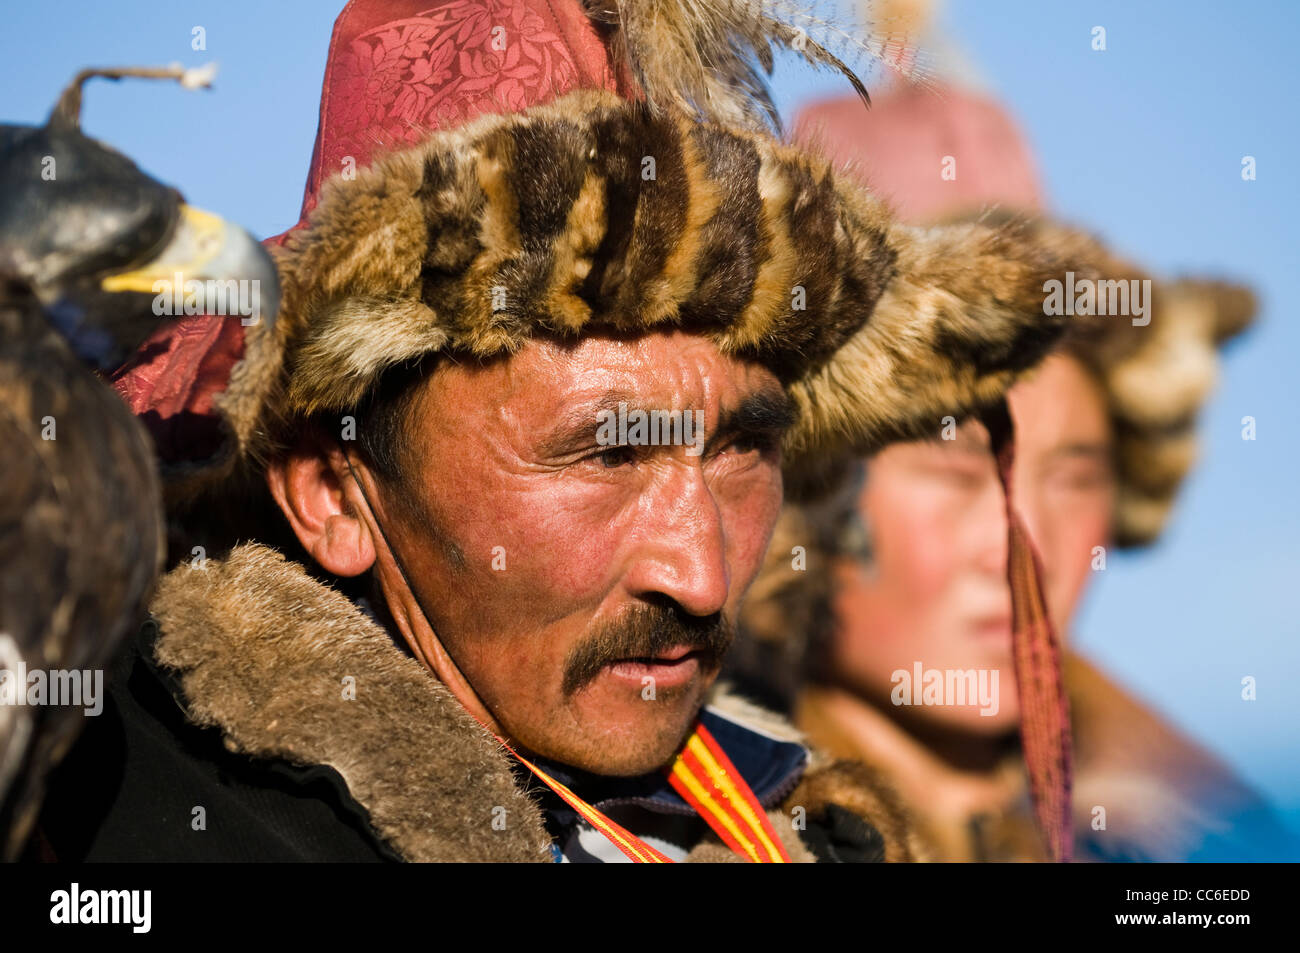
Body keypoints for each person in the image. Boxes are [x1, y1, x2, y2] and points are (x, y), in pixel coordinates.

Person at [31, 0, 1102, 863]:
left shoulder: (825, 828)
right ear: (333, 490)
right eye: (606, 451)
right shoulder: (102, 801)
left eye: (740, 447)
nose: (702, 572)